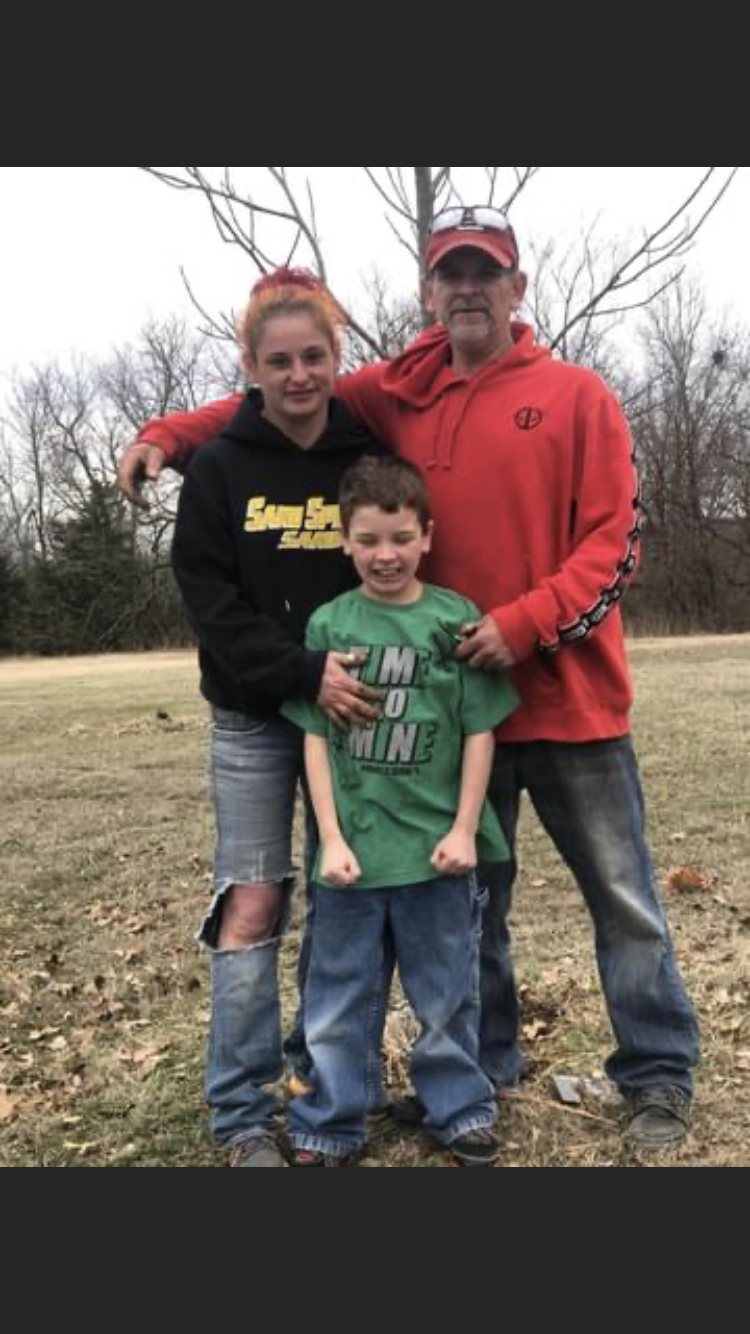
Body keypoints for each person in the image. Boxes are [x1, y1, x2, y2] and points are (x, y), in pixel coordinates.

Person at [122, 207, 700, 1149]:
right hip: (448, 713)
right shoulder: (403, 390)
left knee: (623, 897)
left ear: (517, 288)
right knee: (468, 907)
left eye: (487, 273)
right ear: (429, 294)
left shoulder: (576, 394)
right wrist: (166, 435)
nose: (468, 288)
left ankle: (658, 1074)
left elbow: (615, 541)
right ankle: (482, 1068)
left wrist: (522, 625)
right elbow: (273, 398)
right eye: (449, 274)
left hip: (568, 698)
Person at [171, 267, 388, 1168]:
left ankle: (326, 1089)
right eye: (279, 360)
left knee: (348, 901)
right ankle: (243, 1112)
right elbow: (209, 602)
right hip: (259, 720)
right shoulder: (220, 466)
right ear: (250, 366)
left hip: (351, 717)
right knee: (253, 906)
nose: (299, 375)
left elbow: (391, 560)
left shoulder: (365, 457)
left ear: (337, 358)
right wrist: (300, 671)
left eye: (315, 356)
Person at [281, 454, 517, 1166]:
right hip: (353, 855)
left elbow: (481, 730)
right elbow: (315, 739)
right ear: (345, 541)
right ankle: (331, 1120)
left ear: (427, 536)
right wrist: (329, 838)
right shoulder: (329, 624)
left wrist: (463, 829)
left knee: (447, 995)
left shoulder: (454, 620)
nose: (385, 555)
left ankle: (459, 1109)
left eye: (400, 537)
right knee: (338, 997)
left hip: (436, 855)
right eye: (369, 539)